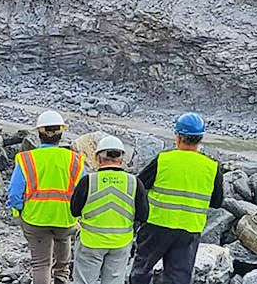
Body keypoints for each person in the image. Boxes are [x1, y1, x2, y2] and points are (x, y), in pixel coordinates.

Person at [132, 113, 225, 284]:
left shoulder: (164, 160)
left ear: (179, 137)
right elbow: (217, 202)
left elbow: (139, 185)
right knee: (179, 277)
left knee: (142, 270)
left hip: (157, 225)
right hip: (189, 230)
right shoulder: (212, 167)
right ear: (200, 139)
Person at [11, 111, 83, 284]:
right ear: (62, 133)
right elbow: (83, 192)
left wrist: (21, 212)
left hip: (35, 220)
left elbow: (14, 194)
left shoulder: (27, 159)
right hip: (66, 220)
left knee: (41, 264)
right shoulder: (75, 160)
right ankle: (61, 278)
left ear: (39, 133)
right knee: (63, 261)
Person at [73, 137, 145, 284]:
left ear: (98, 158)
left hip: (91, 242)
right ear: (122, 158)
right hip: (120, 243)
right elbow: (143, 215)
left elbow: (74, 210)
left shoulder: (88, 181)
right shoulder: (134, 182)